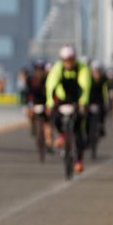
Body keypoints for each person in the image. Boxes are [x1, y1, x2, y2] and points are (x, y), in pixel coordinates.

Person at [45, 44, 90, 174]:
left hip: (77, 99)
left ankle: (79, 161)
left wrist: (83, 103)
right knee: (55, 117)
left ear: (74, 58)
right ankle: (61, 134)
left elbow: (85, 87)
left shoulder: (82, 68)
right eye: (65, 60)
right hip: (61, 99)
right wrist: (49, 103)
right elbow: (51, 85)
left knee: (78, 129)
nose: (68, 63)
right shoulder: (57, 68)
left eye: (70, 60)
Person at [22, 58, 52, 147]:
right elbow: (27, 93)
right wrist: (28, 105)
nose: (39, 72)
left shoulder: (48, 79)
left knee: (48, 122)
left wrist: (49, 106)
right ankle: (32, 126)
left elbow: (51, 93)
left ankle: (49, 142)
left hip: (45, 102)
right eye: (37, 69)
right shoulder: (30, 79)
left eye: (41, 69)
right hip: (33, 103)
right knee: (28, 112)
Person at [87, 60, 111, 139]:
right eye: (95, 71)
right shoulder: (88, 79)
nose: (96, 74)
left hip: (100, 102)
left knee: (102, 114)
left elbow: (106, 92)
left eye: (98, 72)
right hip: (89, 102)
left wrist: (106, 103)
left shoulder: (104, 80)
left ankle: (101, 126)